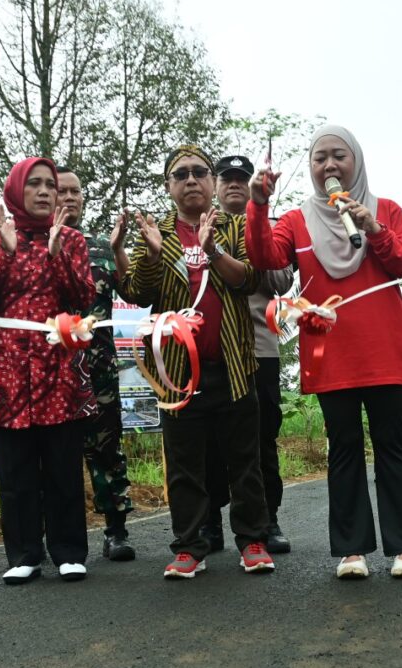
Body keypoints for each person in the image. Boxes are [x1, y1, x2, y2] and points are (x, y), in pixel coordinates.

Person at [247, 125, 402, 579]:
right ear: (310, 168)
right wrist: (259, 204)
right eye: (320, 158)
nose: (329, 166)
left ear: (357, 161)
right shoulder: (294, 220)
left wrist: (373, 228)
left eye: (338, 156)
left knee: (393, 446)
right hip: (332, 355)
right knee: (343, 449)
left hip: (385, 351)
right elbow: (265, 257)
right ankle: (352, 551)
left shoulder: (386, 210)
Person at [118, 144, 273, 579]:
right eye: (180, 174)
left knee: (244, 460)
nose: (191, 180)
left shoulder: (236, 226)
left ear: (212, 182)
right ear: (169, 186)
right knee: (185, 464)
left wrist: (215, 251)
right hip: (178, 374)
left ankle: (253, 542)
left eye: (199, 172)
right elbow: (138, 294)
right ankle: (190, 547)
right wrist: (149, 256)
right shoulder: (157, 233)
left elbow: (252, 280)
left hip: (235, 363)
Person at [0, 158, 96, 584]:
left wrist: (57, 253)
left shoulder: (72, 239)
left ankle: (69, 551)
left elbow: (83, 297)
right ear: (16, 190)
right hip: (8, 368)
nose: (44, 192)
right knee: (15, 466)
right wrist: (6, 251)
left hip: (58, 366)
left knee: (61, 462)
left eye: (50, 185)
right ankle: (23, 554)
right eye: (34, 184)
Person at [202, 155, 295, 554]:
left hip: (259, 348)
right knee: (208, 440)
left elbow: (281, 280)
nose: (235, 185)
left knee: (261, 438)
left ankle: (266, 517)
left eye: (243, 178)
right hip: (211, 350)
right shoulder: (199, 228)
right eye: (227, 178)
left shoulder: (270, 227)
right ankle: (208, 523)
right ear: (216, 185)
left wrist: (257, 236)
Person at [57, 165, 136, 561]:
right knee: (55, 453)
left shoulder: (102, 247)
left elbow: (134, 289)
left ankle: (116, 531)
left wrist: (121, 248)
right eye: (62, 192)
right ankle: (60, 536)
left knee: (106, 448)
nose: (70, 198)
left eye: (76, 192)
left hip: (99, 366)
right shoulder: (35, 247)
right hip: (53, 369)